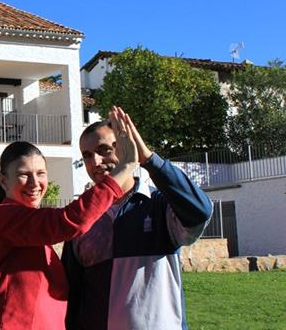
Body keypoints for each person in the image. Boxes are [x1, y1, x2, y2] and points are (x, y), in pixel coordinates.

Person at [0, 108, 138, 330]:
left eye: (41, 173)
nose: (34, 183)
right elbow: (69, 221)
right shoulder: (0, 218)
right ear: (3, 182)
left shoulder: (30, 229)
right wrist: (125, 168)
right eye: (23, 174)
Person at [62, 108, 213, 330]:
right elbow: (71, 292)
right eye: (86, 155)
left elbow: (200, 211)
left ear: (126, 147)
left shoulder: (160, 205)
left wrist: (148, 159)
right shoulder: (81, 215)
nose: (95, 161)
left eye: (104, 150)